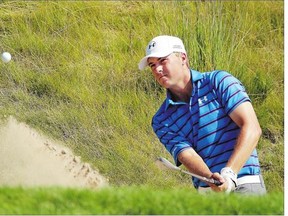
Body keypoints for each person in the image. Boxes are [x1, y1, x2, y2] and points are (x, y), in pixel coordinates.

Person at [138, 35, 266, 194]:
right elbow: (187, 155)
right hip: (209, 194)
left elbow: (252, 128)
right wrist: (211, 179)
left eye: (163, 60)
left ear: (182, 58)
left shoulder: (218, 81)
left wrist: (229, 174)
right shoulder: (161, 119)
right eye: (152, 65)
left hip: (244, 184)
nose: (157, 69)